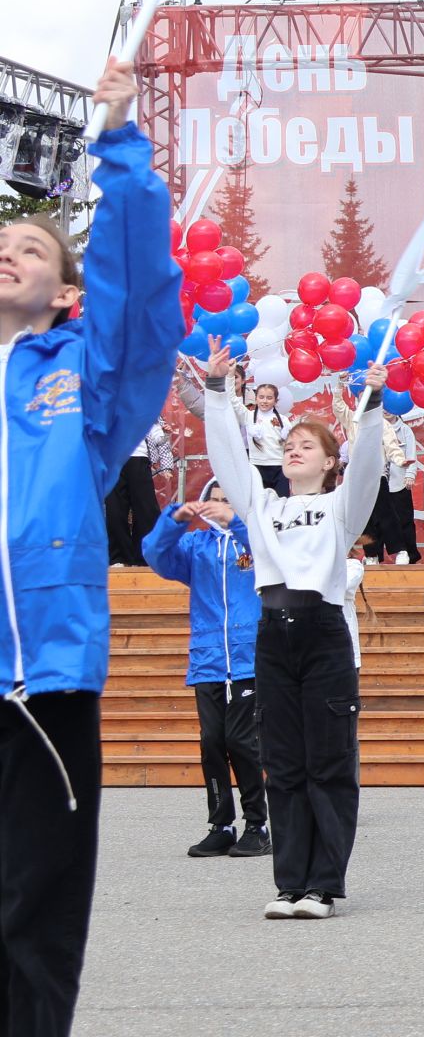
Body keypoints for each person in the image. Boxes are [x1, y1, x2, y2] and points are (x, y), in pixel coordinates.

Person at [0, 58, 177, 1035]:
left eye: (31, 246)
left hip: (42, 686)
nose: (9, 251)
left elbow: (142, 302)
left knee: (34, 919)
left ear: (66, 294)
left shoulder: (86, 387)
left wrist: (119, 147)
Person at [202, 337, 385, 921]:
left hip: (323, 633)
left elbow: (369, 474)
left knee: (328, 762)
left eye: (308, 445)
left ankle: (323, 886)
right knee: (282, 762)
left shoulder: (338, 507)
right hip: (272, 636)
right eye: (289, 444)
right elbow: (228, 457)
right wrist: (214, 391)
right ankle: (290, 885)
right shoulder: (265, 507)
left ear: (332, 460)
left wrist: (374, 403)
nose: (294, 450)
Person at [142, 481, 271, 860]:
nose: (218, 507)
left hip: (250, 658)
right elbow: (154, 553)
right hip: (208, 660)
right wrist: (175, 519)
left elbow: (272, 554)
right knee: (212, 741)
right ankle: (221, 825)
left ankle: (257, 825)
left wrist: (239, 521)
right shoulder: (196, 547)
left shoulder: (255, 542)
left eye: (226, 500)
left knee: (241, 741)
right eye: (213, 501)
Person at [104, 421, 171, 567]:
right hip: (113, 459)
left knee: (146, 510)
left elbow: (159, 437)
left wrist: (164, 435)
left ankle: (143, 557)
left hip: (139, 459)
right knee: (114, 510)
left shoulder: (146, 407)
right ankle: (118, 557)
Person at [364, 405, 421, 565]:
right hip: (376, 482)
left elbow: (411, 454)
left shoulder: (405, 430)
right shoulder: (373, 428)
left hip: (399, 482)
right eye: (383, 406)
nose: (386, 410)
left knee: (403, 520)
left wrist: (410, 474)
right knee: (375, 521)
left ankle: (408, 555)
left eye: (390, 405)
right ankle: (373, 556)